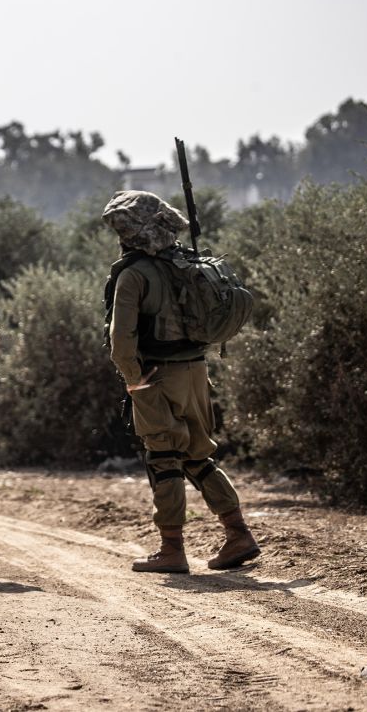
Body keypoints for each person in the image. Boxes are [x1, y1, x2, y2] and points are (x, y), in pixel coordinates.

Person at [102, 190, 261, 573]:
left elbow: (120, 341)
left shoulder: (133, 274)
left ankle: (171, 549)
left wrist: (134, 380)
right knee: (197, 456)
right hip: (196, 372)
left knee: (163, 458)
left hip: (156, 376)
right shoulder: (187, 264)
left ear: (130, 232)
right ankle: (238, 533)